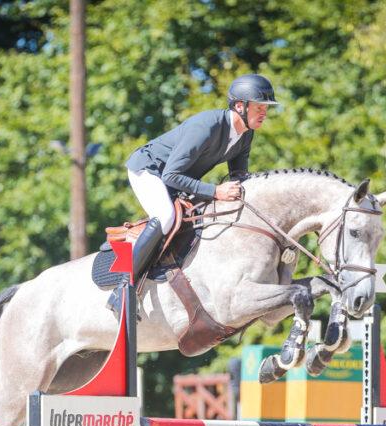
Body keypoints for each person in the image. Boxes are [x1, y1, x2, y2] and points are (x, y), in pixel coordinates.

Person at [107, 73, 277, 312]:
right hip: (149, 170)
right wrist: (215, 191)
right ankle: (122, 289)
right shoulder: (206, 127)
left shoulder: (245, 134)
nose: (264, 113)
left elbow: (240, 177)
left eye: (266, 108)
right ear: (240, 105)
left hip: (174, 179)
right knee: (165, 217)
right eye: (259, 107)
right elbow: (171, 176)